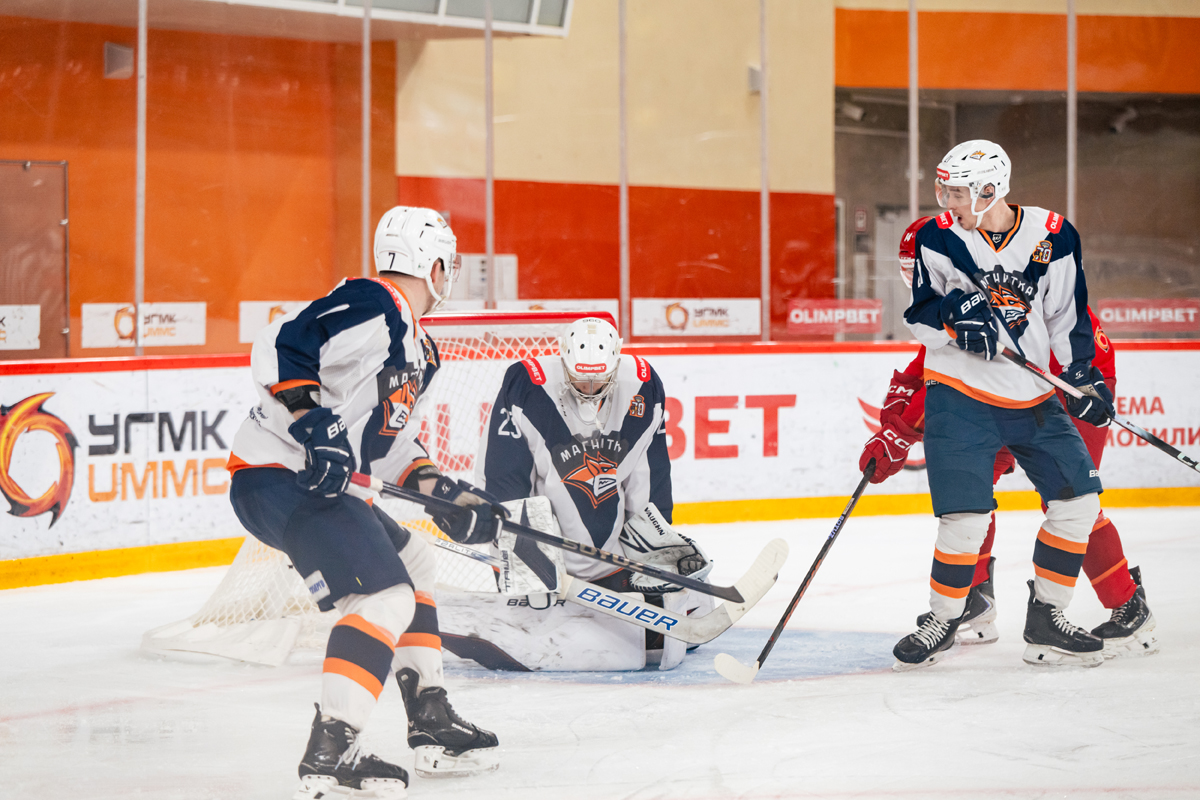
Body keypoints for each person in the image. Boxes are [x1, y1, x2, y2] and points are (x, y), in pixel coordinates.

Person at [226, 206, 504, 797]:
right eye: (446, 262)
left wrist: (445, 495)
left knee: (415, 561)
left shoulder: (420, 349)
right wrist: (312, 422)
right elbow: (282, 341)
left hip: (314, 485)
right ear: (432, 265)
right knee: (383, 597)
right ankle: (330, 752)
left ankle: (429, 717)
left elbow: (391, 448)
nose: (449, 273)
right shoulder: (376, 302)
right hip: (280, 477)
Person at [859, 215, 1157, 663]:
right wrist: (898, 409)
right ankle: (973, 599)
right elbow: (941, 357)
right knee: (973, 489)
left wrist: (900, 430)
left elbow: (969, 361)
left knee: (1071, 498)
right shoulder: (961, 284)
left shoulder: (996, 275)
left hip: (1068, 388)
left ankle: (1128, 603)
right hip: (1002, 394)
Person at [881, 139, 1119, 671]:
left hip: (1033, 396)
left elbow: (1066, 316)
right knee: (964, 518)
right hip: (958, 395)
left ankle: (1047, 617)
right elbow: (918, 316)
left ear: (990, 190)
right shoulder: (935, 237)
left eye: (958, 193)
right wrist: (951, 318)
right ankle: (944, 618)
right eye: (944, 191)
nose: (948, 203)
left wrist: (1083, 377)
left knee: (1078, 503)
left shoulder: (1053, 235)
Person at [463, 316, 713, 671]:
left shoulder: (643, 386)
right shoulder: (526, 385)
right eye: (581, 378)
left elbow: (648, 477)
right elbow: (505, 481)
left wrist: (657, 543)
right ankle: (549, 607)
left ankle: (605, 605)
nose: (591, 388)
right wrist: (523, 563)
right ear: (563, 360)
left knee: (699, 611)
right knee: (535, 602)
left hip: (610, 558)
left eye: (600, 378)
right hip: (549, 560)